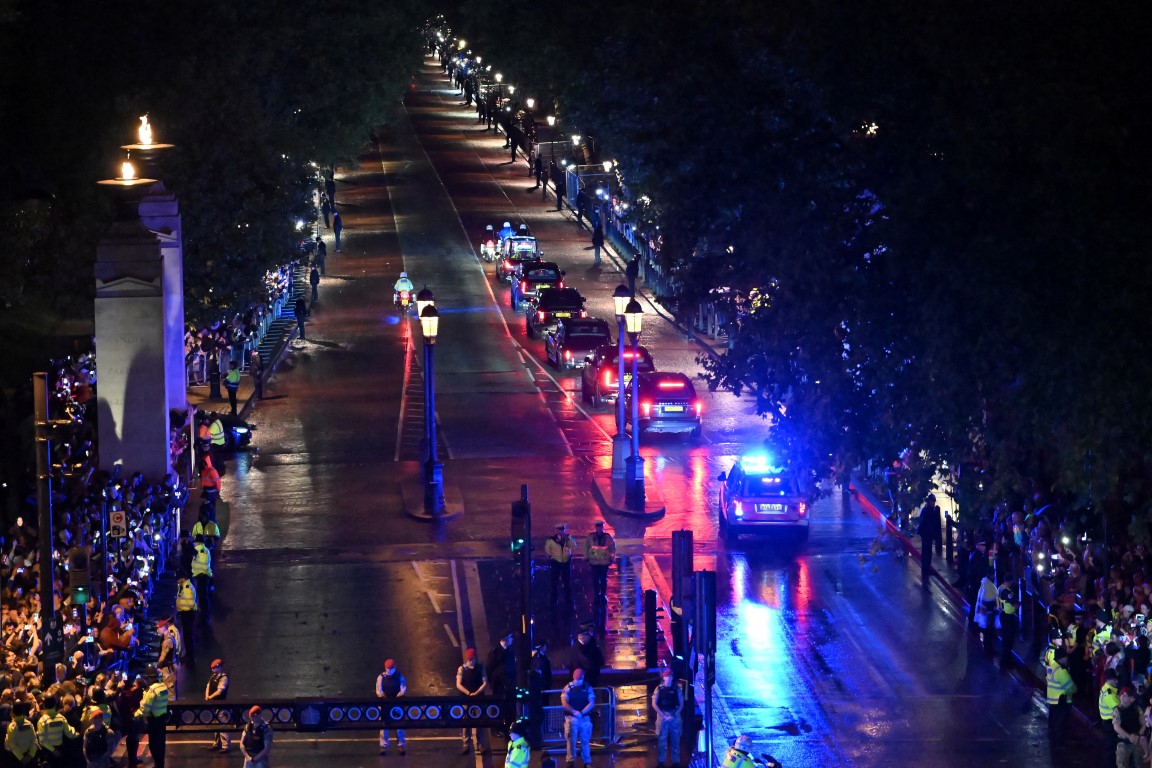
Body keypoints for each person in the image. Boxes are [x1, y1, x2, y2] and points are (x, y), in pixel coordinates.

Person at [135, 665, 170, 768]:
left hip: (153, 722)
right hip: (162, 720)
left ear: (148, 677)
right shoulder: (163, 686)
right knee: (161, 747)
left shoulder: (151, 690)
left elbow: (145, 708)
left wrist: (136, 715)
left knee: (154, 746)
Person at [455, 648, 489, 755]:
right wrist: (468, 693)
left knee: (480, 722)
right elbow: (458, 684)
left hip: (478, 699)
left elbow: (485, 682)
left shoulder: (480, 667)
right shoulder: (462, 669)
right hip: (466, 699)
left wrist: (477, 693)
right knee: (466, 721)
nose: (471, 661)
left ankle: (480, 744)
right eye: (469, 659)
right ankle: (466, 743)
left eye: (472, 659)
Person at [584, 521, 616, 627]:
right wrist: (586, 558)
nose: (599, 529)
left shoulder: (607, 537)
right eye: (598, 527)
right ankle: (597, 594)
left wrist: (611, 558)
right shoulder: (591, 537)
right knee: (595, 579)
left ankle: (602, 594)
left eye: (600, 527)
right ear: (596, 528)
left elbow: (612, 548)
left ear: (602, 528)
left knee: (603, 579)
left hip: (604, 561)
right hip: (594, 561)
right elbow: (586, 547)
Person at [561, 669, 594, 768]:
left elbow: (591, 702)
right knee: (571, 741)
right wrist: (574, 712)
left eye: (579, 680)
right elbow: (564, 702)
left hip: (584, 718)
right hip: (572, 718)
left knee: (585, 741)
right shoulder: (567, 688)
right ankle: (570, 762)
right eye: (576, 679)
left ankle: (587, 762)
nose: (577, 682)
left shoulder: (588, 687)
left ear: (583, 677)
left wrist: (581, 712)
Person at [652, 669, 683, 768]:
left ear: (672, 677)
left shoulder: (677, 689)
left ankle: (676, 762)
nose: (668, 679)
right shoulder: (658, 689)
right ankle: (661, 761)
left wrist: (674, 715)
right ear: (663, 677)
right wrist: (662, 715)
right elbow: (654, 703)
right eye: (666, 676)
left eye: (670, 676)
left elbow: (681, 703)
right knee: (662, 740)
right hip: (663, 715)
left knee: (676, 739)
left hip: (674, 715)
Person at [36, 694, 78, 768]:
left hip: (48, 752)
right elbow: (69, 733)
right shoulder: (61, 718)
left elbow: (42, 741)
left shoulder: (42, 721)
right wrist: (76, 733)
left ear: (44, 706)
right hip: (60, 749)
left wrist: (53, 750)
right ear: (56, 705)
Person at [376, 659, 407, 756]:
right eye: (388, 668)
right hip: (385, 704)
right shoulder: (381, 677)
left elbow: (403, 689)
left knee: (399, 725)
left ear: (395, 667)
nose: (390, 670)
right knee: (384, 726)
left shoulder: (400, 676)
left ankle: (401, 745)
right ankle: (383, 746)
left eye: (391, 668)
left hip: (397, 704)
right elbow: (379, 690)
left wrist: (397, 697)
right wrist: (384, 698)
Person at [1046, 650, 1076, 746]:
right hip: (1062, 700)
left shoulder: (1051, 667)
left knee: (1054, 722)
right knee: (1061, 723)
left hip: (1052, 699)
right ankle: (1060, 743)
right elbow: (1071, 687)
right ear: (1062, 658)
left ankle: (1054, 740)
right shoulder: (1061, 671)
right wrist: (1075, 689)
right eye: (1066, 657)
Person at [546, 523, 575, 607]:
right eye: (559, 530)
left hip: (566, 562)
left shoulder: (568, 538)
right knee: (554, 582)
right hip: (556, 562)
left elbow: (573, 546)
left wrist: (568, 539)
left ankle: (568, 600)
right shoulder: (552, 539)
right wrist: (550, 556)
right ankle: (554, 600)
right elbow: (548, 549)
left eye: (562, 530)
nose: (561, 532)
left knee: (567, 582)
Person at [916, 495, 941, 588]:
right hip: (926, 534)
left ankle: (926, 570)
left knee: (928, 552)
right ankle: (925, 571)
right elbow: (923, 523)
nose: (933, 503)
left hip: (928, 535)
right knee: (926, 553)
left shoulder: (930, 510)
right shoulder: (927, 510)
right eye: (932, 501)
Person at [1113, 687, 1143, 768]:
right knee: (1121, 763)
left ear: (1131, 698)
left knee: (1139, 763)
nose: (1122, 697)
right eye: (1121, 695)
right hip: (1123, 742)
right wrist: (1129, 737)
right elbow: (1116, 727)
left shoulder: (1137, 708)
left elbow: (1144, 723)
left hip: (1136, 741)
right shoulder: (1117, 710)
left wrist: (1138, 735)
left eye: (1125, 695)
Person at [205, 659, 231, 752]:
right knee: (215, 725)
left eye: (214, 668)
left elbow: (220, 690)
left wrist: (210, 697)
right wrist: (207, 696)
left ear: (219, 667)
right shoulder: (213, 676)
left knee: (223, 724)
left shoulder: (223, 678)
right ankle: (216, 743)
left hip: (221, 704)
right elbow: (208, 686)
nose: (213, 670)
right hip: (214, 704)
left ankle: (226, 746)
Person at [5, 701, 39, 766]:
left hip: (15, 759)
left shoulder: (12, 727)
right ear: (23, 712)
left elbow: (12, 745)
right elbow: (34, 741)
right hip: (28, 756)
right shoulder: (29, 724)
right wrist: (30, 756)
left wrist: (21, 758)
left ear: (12, 713)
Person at [156, 617, 181, 700]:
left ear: (163, 628)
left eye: (158, 628)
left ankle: (172, 710)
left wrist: (157, 666)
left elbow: (162, 657)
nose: (157, 630)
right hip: (171, 667)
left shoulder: (167, 641)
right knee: (172, 690)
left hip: (168, 669)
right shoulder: (170, 637)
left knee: (170, 691)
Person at [997, 577, 1019, 669]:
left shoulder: (1000, 588)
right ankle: (1006, 662)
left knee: (1006, 640)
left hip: (1003, 615)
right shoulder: (1006, 591)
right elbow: (1015, 603)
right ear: (1008, 581)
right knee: (1008, 640)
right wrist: (1017, 604)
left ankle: (1005, 660)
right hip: (1007, 617)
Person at [487, 632, 516, 700]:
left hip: (510, 685)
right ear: (504, 639)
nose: (512, 639)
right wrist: (492, 683)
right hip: (498, 685)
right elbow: (489, 668)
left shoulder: (510, 652)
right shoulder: (495, 652)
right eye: (510, 637)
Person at [191, 534, 213, 624]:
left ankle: (204, 616)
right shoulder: (205, 550)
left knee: (202, 596)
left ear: (198, 542)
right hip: (203, 576)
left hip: (201, 576)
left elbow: (200, 564)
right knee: (203, 595)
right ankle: (204, 615)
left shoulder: (198, 550)